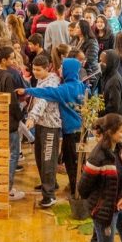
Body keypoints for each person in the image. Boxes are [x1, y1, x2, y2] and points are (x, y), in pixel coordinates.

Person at [19, 57, 86, 196]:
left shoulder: (64, 88)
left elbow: (46, 93)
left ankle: (76, 193)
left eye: (63, 67)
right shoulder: (80, 85)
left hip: (70, 131)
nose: (60, 69)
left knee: (71, 163)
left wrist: (27, 91)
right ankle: (74, 189)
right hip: (80, 130)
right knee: (75, 162)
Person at [79, 113, 122, 242]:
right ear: (110, 132)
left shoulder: (121, 149)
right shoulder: (97, 156)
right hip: (106, 211)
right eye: (121, 131)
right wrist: (99, 203)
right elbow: (83, 188)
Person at [0, 45, 25, 200]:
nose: (14, 60)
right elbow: (12, 102)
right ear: (3, 60)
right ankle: (7, 189)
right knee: (13, 154)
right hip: (8, 121)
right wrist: (20, 116)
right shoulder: (8, 77)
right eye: (11, 58)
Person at [25, 52, 61, 208]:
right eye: (34, 69)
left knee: (47, 159)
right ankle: (49, 183)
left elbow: (43, 102)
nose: (35, 72)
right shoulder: (41, 80)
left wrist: (32, 116)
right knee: (40, 157)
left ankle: (49, 195)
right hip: (41, 123)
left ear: (48, 68)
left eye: (39, 70)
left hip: (50, 126)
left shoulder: (51, 83)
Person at [100, 50, 122, 119]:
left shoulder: (114, 81)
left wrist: (100, 113)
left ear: (111, 63)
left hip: (116, 121)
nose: (100, 64)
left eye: (103, 62)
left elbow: (114, 107)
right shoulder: (108, 76)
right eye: (100, 61)